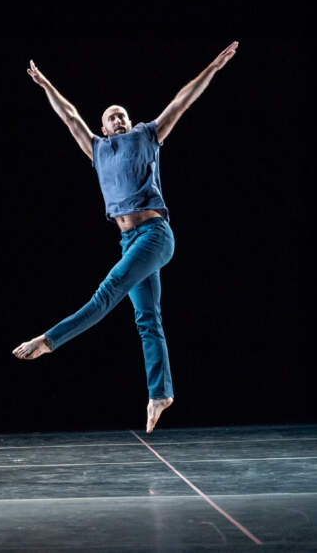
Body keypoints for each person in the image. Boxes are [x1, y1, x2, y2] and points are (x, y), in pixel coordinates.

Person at [13, 42, 238, 433]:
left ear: (129, 122)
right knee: (147, 319)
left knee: (108, 290)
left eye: (123, 116)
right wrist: (45, 84)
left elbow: (180, 102)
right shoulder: (97, 149)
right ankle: (160, 394)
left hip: (155, 234)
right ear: (103, 128)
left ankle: (49, 340)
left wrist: (213, 68)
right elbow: (69, 116)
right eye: (112, 118)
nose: (118, 120)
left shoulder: (146, 135)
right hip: (129, 241)